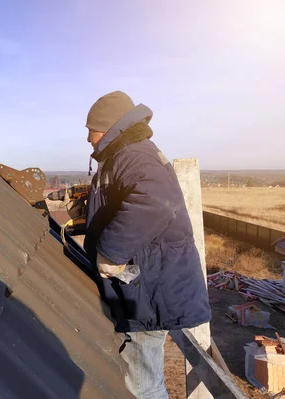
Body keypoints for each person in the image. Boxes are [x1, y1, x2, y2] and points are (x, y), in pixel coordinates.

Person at [82, 91, 212, 398]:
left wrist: (111, 252)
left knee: (141, 385)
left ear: (109, 126)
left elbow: (156, 201)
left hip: (149, 288)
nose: (88, 138)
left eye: (91, 129)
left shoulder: (132, 155)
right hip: (148, 283)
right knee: (143, 375)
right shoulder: (129, 153)